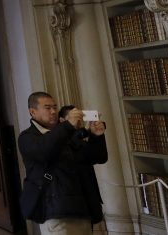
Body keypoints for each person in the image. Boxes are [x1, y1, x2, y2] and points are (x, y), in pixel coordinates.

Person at [18, 91, 108, 233]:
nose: (53, 111)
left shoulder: (67, 134)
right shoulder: (28, 137)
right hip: (56, 210)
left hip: (82, 207)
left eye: (55, 107)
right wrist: (67, 126)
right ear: (32, 112)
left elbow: (97, 157)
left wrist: (96, 137)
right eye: (47, 108)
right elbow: (44, 151)